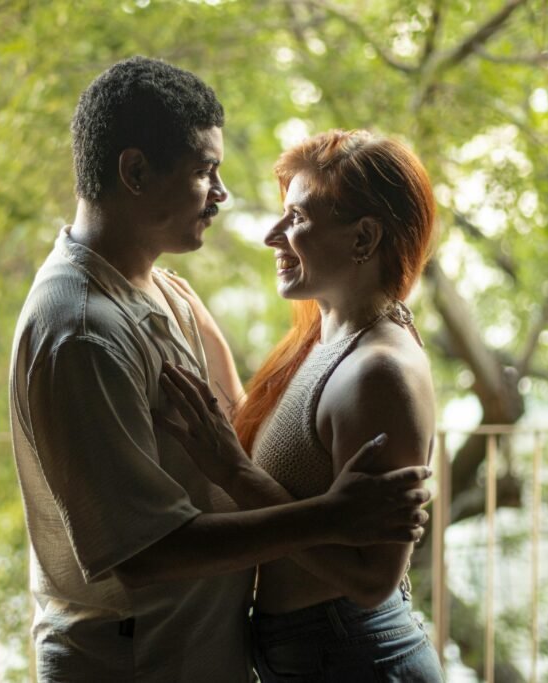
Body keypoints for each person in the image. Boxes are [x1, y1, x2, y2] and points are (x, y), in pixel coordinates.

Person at [8, 57, 433, 682]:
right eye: (206, 170)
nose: (224, 195)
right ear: (134, 171)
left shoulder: (160, 294)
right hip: (136, 661)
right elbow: (144, 552)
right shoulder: (81, 331)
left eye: (299, 217)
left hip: (210, 651)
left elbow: (230, 448)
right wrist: (332, 516)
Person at [157, 129, 446, 681]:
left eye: (297, 219)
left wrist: (230, 472)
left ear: (364, 238)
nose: (273, 236)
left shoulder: (378, 374)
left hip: (350, 657)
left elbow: (372, 579)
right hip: (314, 650)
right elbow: (292, 463)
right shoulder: (329, 338)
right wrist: (205, 334)